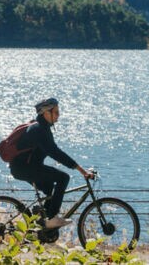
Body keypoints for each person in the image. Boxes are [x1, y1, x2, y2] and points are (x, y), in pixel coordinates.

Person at [10, 97, 95, 229]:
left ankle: (41, 225)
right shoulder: (38, 130)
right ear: (45, 113)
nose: (58, 116)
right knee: (63, 178)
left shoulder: (43, 128)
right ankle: (51, 218)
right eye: (56, 112)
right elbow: (55, 153)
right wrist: (81, 170)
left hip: (27, 167)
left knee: (50, 187)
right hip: (25, 168)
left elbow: (53, 152)